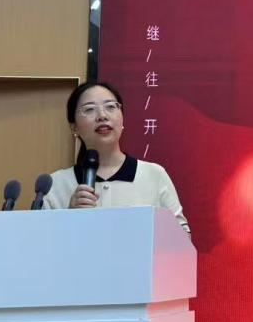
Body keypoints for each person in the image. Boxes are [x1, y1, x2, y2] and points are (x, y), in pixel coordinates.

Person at [41, 80, 190, 233]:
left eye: (110, 107)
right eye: (90, 109)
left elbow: (182, 238)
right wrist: (67, 218)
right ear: (74, 127)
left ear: (122, 118)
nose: (102, 116)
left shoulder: (153, 175)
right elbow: (40, 244)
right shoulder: (55, 185)